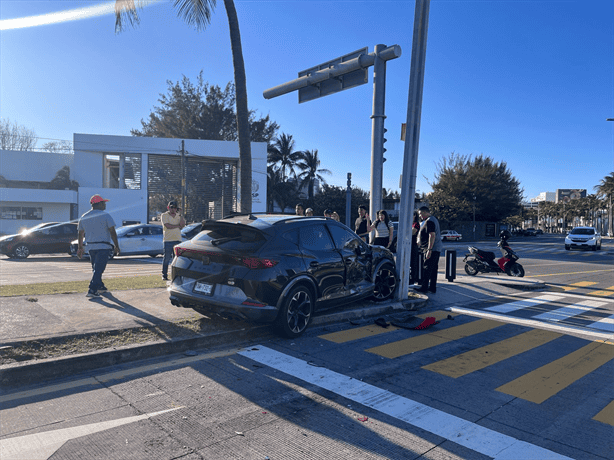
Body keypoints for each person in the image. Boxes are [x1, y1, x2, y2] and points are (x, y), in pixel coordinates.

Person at [77, 194, 120, 298]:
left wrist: (80, 247)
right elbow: (112, 232)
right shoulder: (106, 215)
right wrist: (116, 246)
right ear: (99, 204)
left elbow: (80, 233)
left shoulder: (84, 216)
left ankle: (100, 286)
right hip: (103, 247)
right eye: (103, 203)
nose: (105, 205)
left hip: (91, 247)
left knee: (96, 268)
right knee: (98, 269)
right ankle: (92, 290)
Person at [414, 206, 443, 293]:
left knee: (427, 268)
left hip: (432, 248)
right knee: (433, 268)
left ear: (425, 212)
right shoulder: (433, 219)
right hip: (436, 248)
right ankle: (432, 287)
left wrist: (429, 249)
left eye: (420, 214)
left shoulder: (429, 221)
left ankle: (424, 287)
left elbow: (432, 235)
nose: (420, 216)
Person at [161, 200, 186, 281]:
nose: (173, 209)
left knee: (177, 260)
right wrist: (177, 226)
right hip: (168, 240)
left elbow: (182, 226)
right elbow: (167, 226)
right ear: (168, 207)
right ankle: (164, 275)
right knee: (166, 258)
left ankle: (176, 276)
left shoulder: (179, 215)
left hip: (177, 240)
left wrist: (181, 215)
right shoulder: (164, 215)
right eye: (171, 207)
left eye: (175, 207)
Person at [409, 211, 420, 285]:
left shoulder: (416, 224)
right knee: (409, 263)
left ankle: (413, 279)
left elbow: (412, 232)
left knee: (413, 263)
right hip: (408, 245)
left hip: (414, 244)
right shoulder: (410, 224)